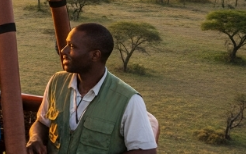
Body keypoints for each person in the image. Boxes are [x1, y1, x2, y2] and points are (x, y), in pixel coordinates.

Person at [26, 23, 157, 154]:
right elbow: (42, 123)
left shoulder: (128, 100)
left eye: (72, 46)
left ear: (95, 55)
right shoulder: (57, 82)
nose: (63, 51)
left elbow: (147, 151)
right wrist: (35, 138)